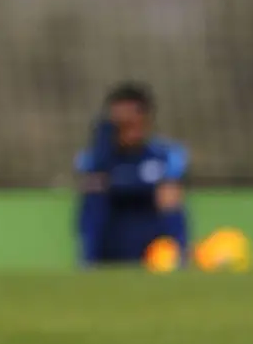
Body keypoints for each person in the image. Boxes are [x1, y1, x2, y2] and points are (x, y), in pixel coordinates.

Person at [74, 82, 189, 267]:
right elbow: (92, 194)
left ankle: (180, 258)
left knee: (168, 193)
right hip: (111, 246)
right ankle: (89, 262)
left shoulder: (165, 155)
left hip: (154, 253)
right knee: (95, 187)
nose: (127, 130)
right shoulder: (97, 159)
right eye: (120, 124)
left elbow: (169, 198)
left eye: (132, 122)